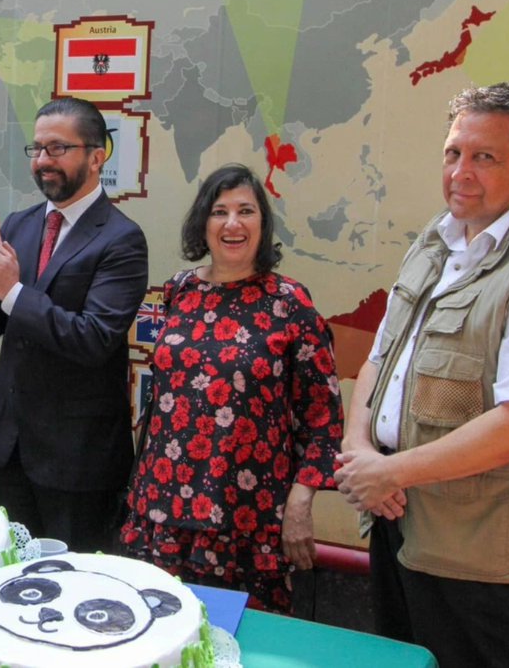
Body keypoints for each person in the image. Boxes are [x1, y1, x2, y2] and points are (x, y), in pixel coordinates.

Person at [334, 83, 509, 667]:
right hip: (399, 515)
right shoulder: (437, 241)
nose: (460, 172)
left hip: (483, 548)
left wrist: (389, 469)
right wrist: (359, 450)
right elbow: (381, 359)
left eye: (485, 157)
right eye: (453, 153)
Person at [119, 164, 342, 613]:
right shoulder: (180, 290)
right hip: (162, 509)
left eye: (246, 211)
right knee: (162, 635)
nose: (233, 223)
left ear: (263, 223)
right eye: (220, 212)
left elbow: (322, 414)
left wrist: (302, 500)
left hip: (246, 517)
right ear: (204, 223)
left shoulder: (289, 302)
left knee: (240, 642)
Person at [0, 97, 148, 553]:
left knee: (71, 586)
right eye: (38, 149)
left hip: (78, 458)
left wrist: (12, 290)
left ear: (96, 156)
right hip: (11, 448)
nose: (43, 161)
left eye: (58, 149)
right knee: (8, 577)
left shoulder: (121, 238)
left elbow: (93, 338)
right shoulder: (20, 225)